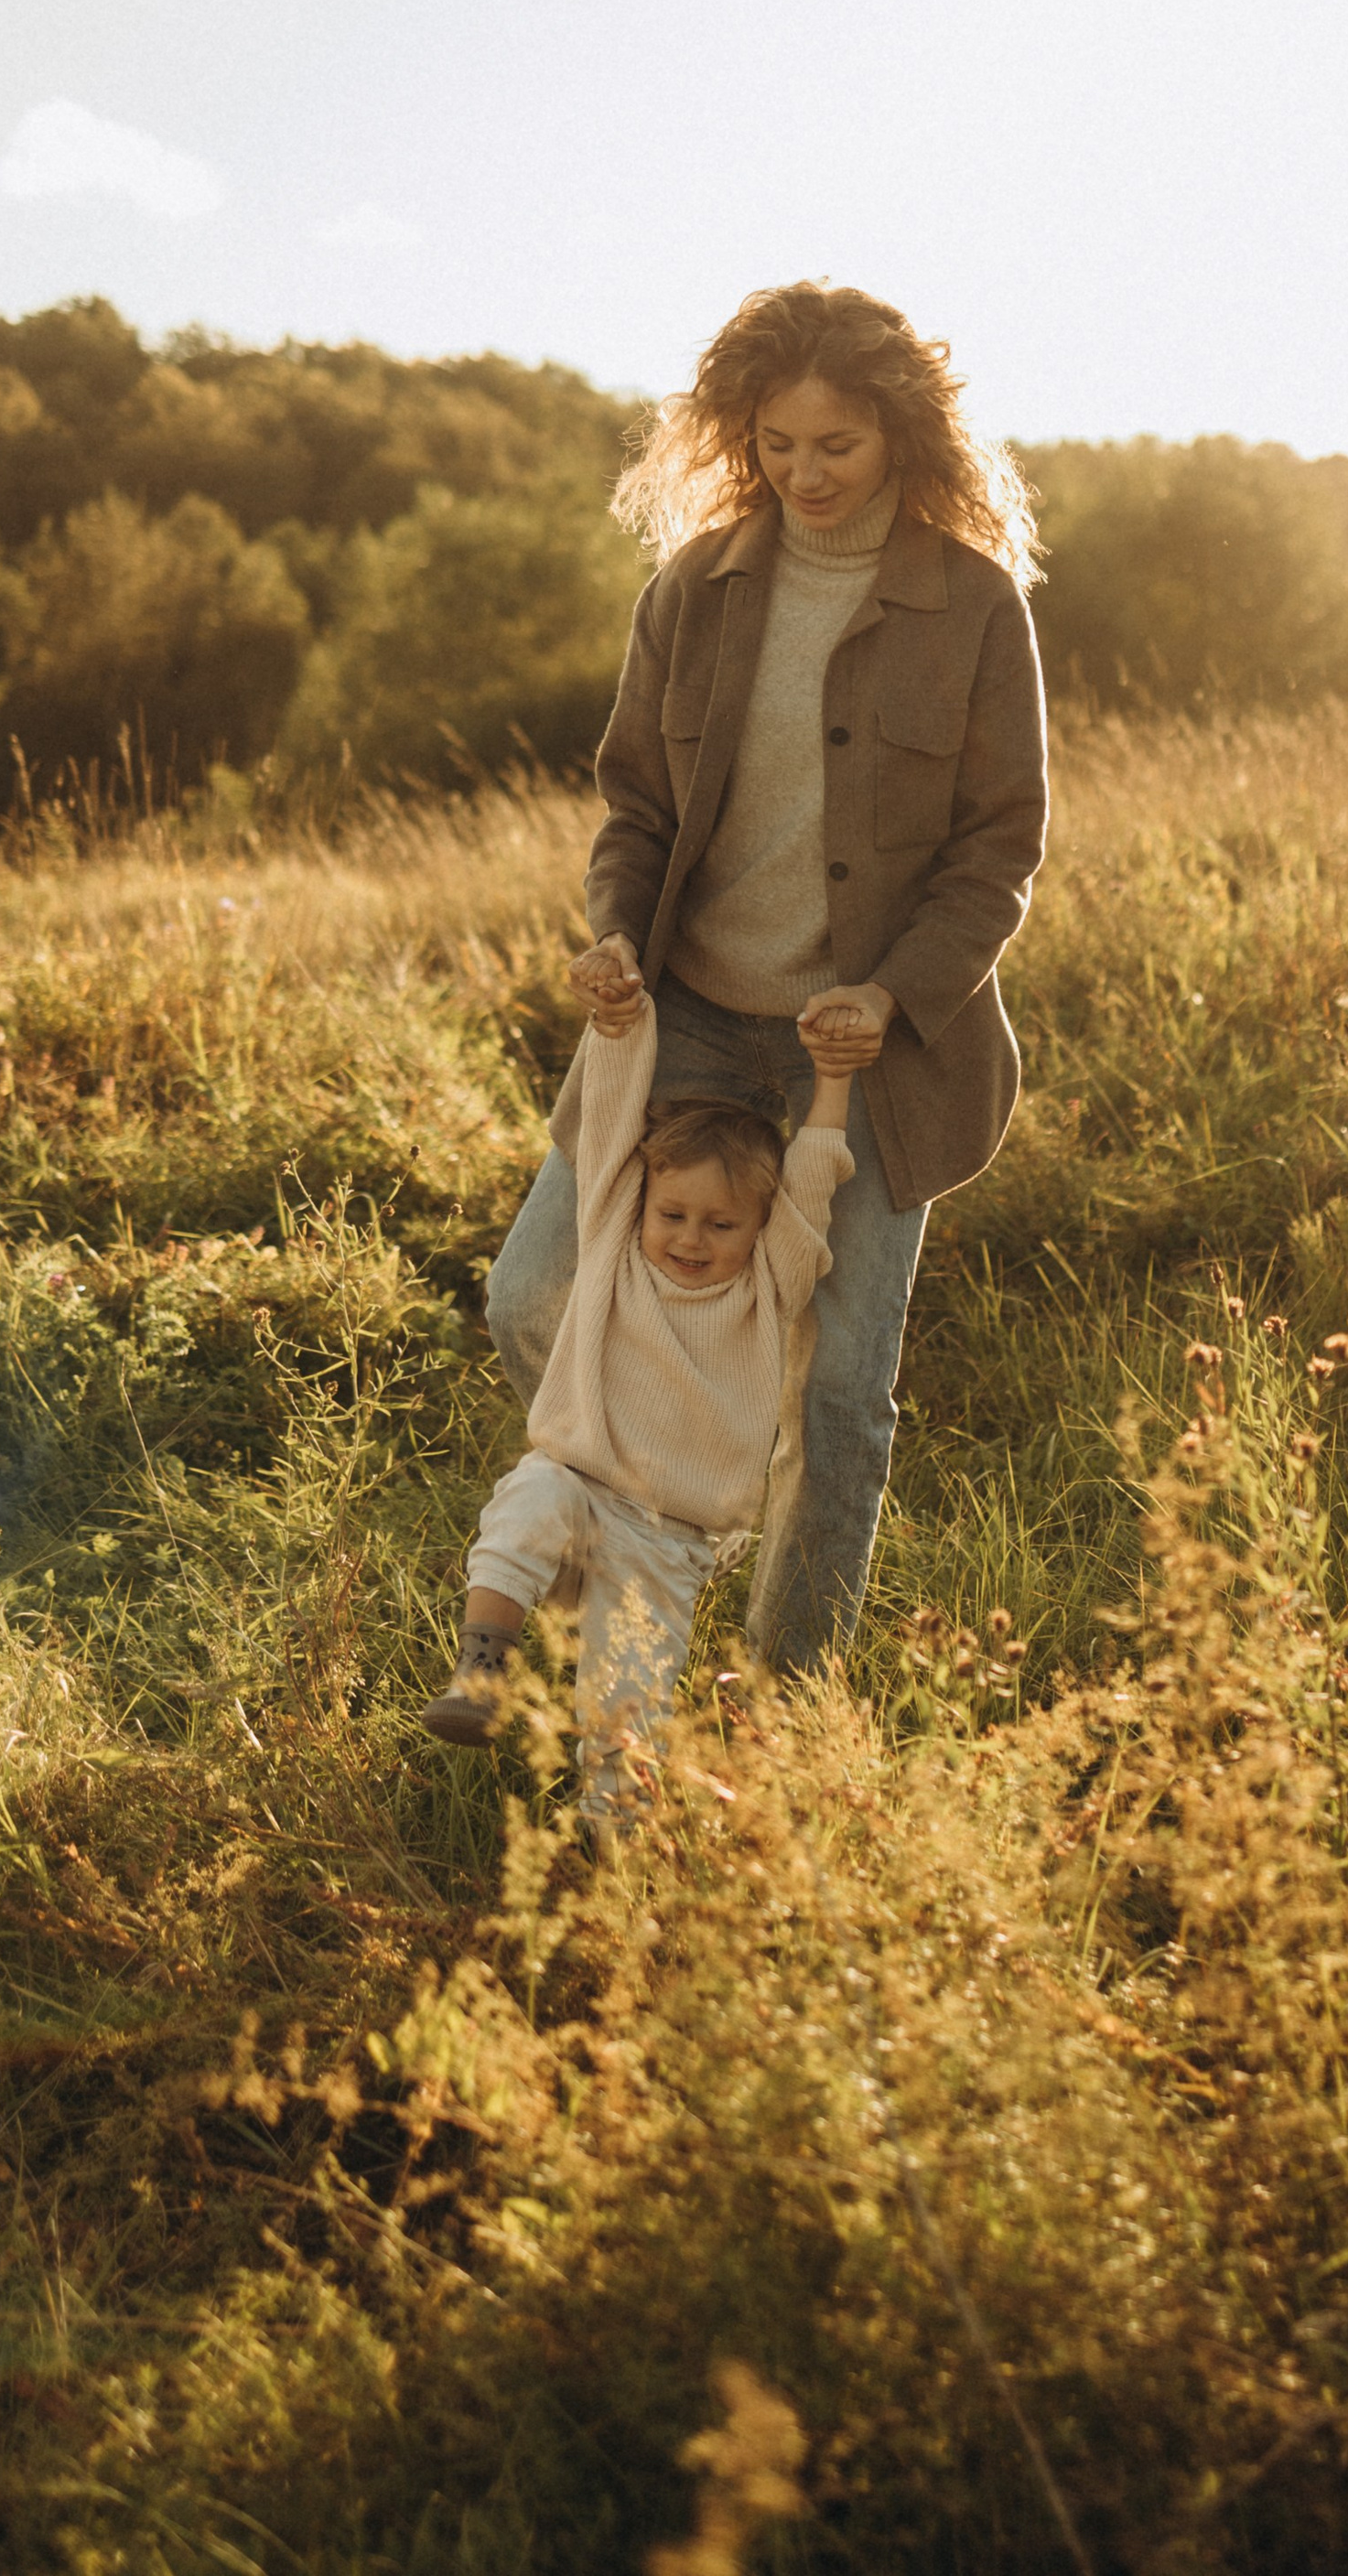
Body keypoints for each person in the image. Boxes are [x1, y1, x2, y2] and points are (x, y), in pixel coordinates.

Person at [483, 280, 1050, 1675]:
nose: (803, 474)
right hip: (681, 1027)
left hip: (871, 1064)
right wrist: (616, 935)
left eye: (836, 448)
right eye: (778, 444)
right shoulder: (698, 585)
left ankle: (788, 1696)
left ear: (904, 441)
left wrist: (897, 995)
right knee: (537, 1299)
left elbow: (1001, 847)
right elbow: (636, 808)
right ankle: (610, 1599)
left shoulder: (973, 607)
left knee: (841, 1393)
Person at [425, 967, 868, 1816]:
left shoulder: (770, 1285)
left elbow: (812, 1174)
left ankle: (616, 1837)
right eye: (674, 1215)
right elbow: (612, 1122)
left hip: (669, 1540)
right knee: (531, 1495)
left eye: (721, 1223)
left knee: (626, 1706)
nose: (691, 1238)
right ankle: (483, 1676)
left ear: (760, 1228)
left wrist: (834, 1078)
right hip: (579, 1492)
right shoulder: (612, 1241)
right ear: (642, 1206)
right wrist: (620, 1029)